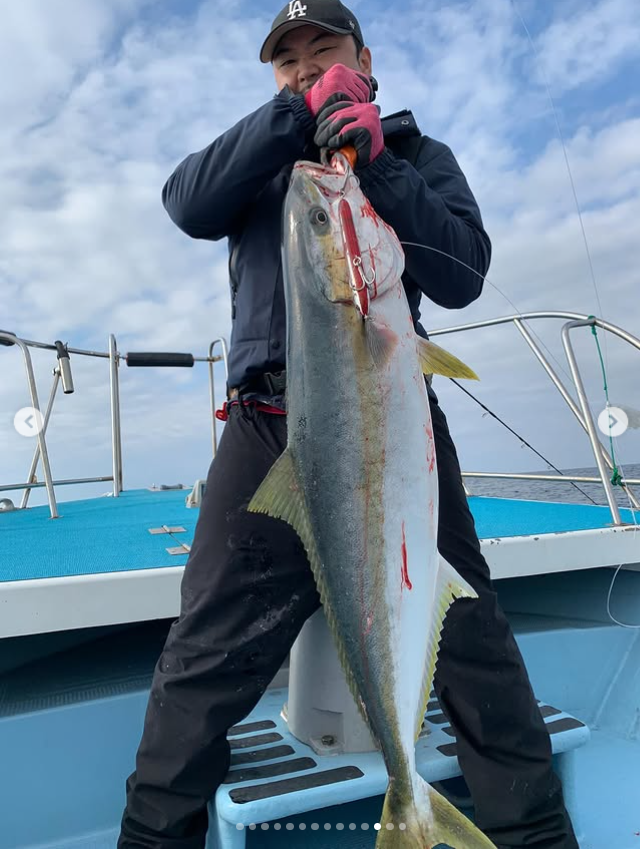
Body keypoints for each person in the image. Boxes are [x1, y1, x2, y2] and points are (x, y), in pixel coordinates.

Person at [118, 2, 579, 847]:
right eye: (285, 58)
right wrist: (293, 117)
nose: (303, 65)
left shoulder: (415, 154)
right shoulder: (262, 165)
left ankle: (534, 833)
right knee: (200, 662)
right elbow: (186, 201)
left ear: (364, 60)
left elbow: (462, 274)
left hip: (394, 419)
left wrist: (382, 165)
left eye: (322, 48)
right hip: (267, 430)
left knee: (474, 643)